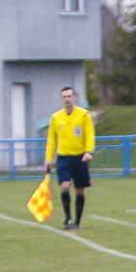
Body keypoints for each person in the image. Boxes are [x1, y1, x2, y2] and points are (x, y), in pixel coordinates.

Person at [44, 87, 95, 230]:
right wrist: (48, 158)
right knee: (65, 186)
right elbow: (51, 140)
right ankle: (67, 218)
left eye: (69, 96)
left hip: (80, 157)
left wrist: (88, 151)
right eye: (64, 97)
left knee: (79, 190)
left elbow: (89, 134)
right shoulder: (56, 117)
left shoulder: (83, 115)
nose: (67, 99)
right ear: (62, 99)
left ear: (74, 97)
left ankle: (77, 221)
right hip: (63, 157)